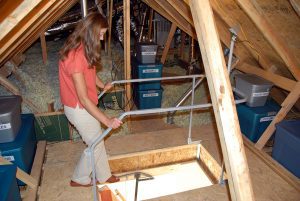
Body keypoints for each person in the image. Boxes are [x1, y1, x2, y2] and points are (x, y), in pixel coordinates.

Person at [59, 12, 122, 187]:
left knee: (97, 141)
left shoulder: (82, 48)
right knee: (95, 144)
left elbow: (90, 73)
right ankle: (78, 178)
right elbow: (84, 99)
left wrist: (102, 86)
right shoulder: (75, 57)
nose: (102, 39)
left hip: (81, 106)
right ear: (91, 33)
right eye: (101, 34)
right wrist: (107, 120)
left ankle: (104, 175)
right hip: (79, 108)